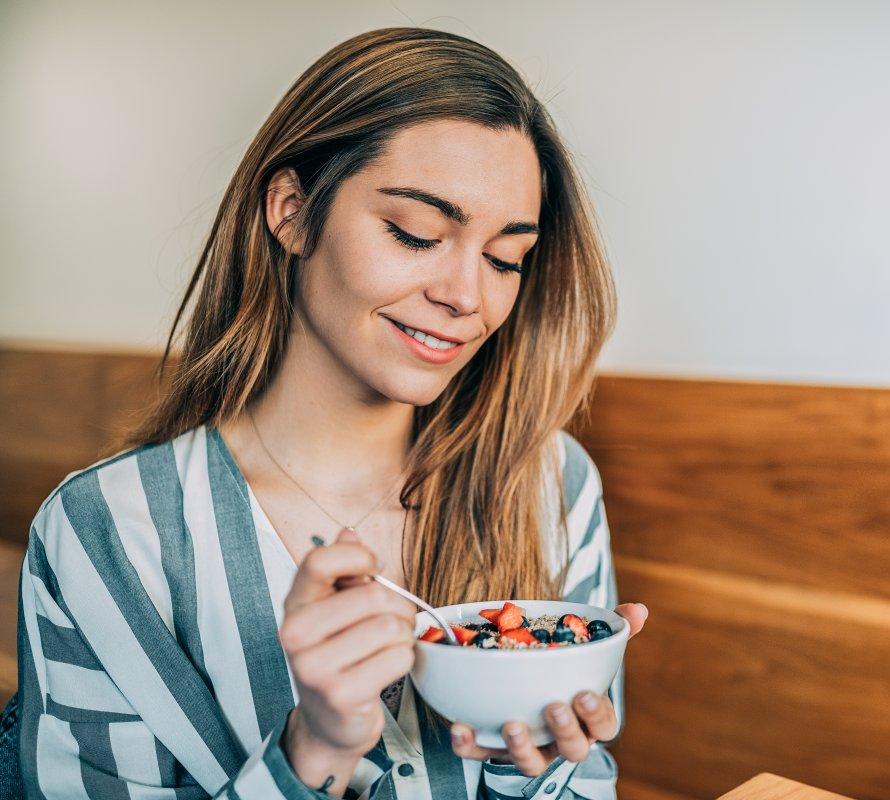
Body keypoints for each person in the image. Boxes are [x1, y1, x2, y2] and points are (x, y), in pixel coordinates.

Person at [15, 26, 648, 799]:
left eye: (504, 257)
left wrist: (535, 766)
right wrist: (313, 749)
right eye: (417, 235)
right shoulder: (111, 533)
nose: (468, 297)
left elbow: (590, 784)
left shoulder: (550, 483)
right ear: (291, 211)